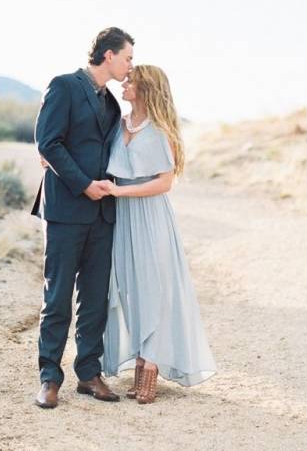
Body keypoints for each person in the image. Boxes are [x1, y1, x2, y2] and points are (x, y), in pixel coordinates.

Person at [99, 64, 217, 404]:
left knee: (154, 289)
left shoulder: (160, 131)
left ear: (146, 88)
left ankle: (150, 364)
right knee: (129, 290)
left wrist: (120, 193)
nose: (125, 83)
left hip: (150, 218)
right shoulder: (118, 125)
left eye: (131, 81)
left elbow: (165, 182)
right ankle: (139, 359)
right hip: (122, 220)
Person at [31, 27, 134, 409]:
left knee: (94, 298)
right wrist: (83, 184)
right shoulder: (63, 86)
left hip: (103, 213)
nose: (130, 65)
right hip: (66, 210)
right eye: (127, 57)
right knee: (56, 298)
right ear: (108, 55)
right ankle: (48, 379)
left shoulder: (112, 104)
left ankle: (88, 374)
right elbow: (48, 142)